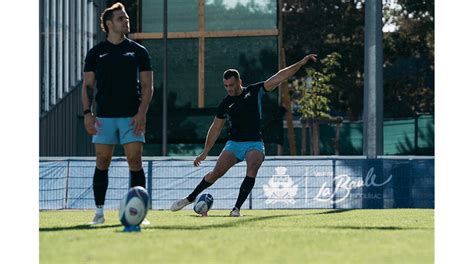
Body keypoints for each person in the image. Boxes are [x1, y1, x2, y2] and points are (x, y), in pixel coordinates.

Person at [170, 54, 317, 216]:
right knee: (215, 174)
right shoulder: (225, 103)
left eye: (231, 85)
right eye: (226, 86)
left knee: (252, 168)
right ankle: (190, 198)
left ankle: (236, 209)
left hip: (254, 143)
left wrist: (301, 63)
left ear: (239, 82)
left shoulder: (254, 91)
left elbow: (280, 76)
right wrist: (205, 152)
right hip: (233, 144)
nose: (229, 89)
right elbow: (215, 128)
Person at [81, 3, 154, 225]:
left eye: (126, 18)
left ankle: (138, 212)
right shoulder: (96, 52)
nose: (126, 21)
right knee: (102, 161)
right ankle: (99, 212)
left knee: (135, 160)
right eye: (121, 18)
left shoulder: (139, 51)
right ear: (109, 24)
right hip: (103, 117)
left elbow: (148, 86)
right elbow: (87, 87)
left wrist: (142, 113)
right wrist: (87, 113)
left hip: (131, 116)